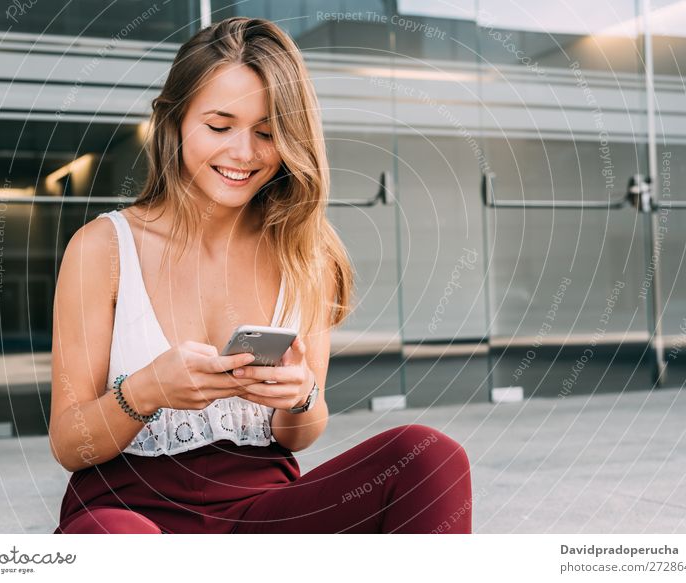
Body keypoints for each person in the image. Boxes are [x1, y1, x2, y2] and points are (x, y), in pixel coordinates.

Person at [50, 16, 472, 534]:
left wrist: (301, 396)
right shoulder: (101, 248)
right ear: (174, 122)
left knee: (428, 457)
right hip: (126, 512)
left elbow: (301, 434)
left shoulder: (304, 254)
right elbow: (70, 444)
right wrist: (145, 391)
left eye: (268, 132)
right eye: (220, 127)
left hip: (261, 516)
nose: (244, 153)